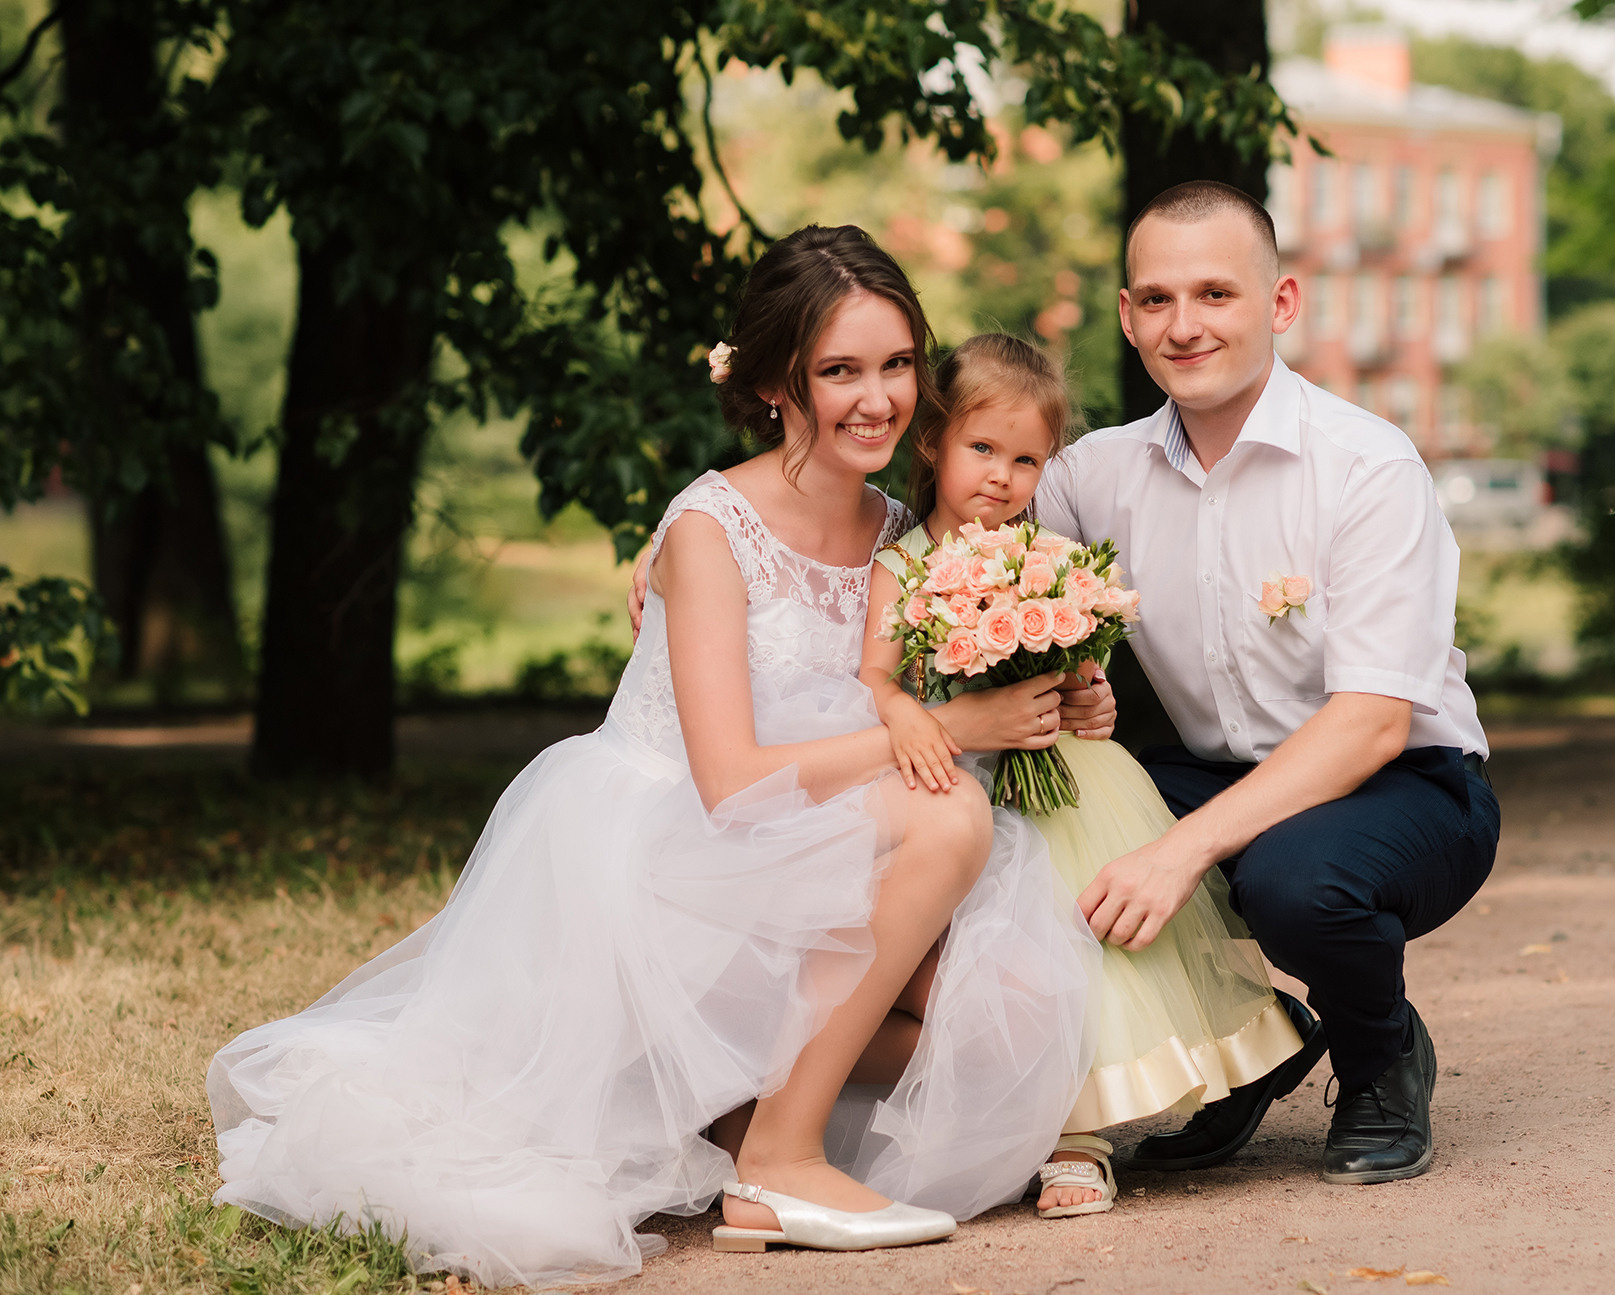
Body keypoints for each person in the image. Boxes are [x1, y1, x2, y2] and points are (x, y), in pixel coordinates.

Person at [208, 225, 1096, 1288]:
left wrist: (1066, 679)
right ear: (772, 383)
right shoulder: (710, 529)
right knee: (949, 813)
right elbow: (732, 782)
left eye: (898, 363)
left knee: (1013, 1011)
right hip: (680, 857)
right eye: (840, 371)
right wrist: (954, 729)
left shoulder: (904, 532)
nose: (878, 398)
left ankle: (734, 1103)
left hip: (818, 847)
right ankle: (780, 1160)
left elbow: (966, 642)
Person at [1038, 180, 1501, 1185]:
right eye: (1156, 299)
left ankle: (1381, 1056)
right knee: (1033, 839)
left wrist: (1177, 851)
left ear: (1281, 302)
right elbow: (973, 539)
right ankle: (1248, 1041)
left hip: (1407, 785)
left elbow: (1372, 723)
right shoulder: (1086, 477)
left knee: (1292, 881)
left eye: (1215, 293)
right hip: (1214, 770)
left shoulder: (1367, 467)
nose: (1183, 325)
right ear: (1126, 316)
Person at [860, 333, 1326, 1220]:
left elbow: (1082, 666)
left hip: (1063, 782)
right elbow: (876, 678)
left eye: (1026, 459)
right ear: (932, 441)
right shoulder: (901, 563)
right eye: (981, 448)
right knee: (1005, 960)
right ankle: (1023, 1123)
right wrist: (905, 712)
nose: (1001, 476)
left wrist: (1090, 694)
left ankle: (1081, 1137)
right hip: (953, 785)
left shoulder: (1048, 552)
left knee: (1087, 942)